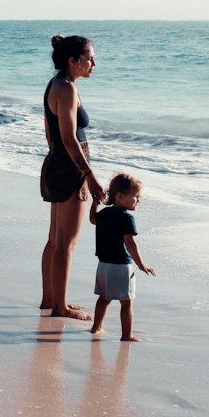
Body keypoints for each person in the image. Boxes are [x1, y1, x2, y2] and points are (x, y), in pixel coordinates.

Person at [40, 33, 106, 320]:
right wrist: (89, 176)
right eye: (89, 57)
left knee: (55, 239)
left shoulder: (56, 85)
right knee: (67, 242)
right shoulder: (66, 89)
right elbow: (69, 137)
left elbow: (49, 132)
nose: (94, 63)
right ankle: (60, 306)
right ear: (72, 60)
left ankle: (49, 300)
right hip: (70, 167)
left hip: (58, 163)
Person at [89, 173, 156, 342]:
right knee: (126, 303)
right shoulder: (127, 218)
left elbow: (92, 219)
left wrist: (95, 203)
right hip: (120, 266)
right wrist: (141, 265)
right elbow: (131, 243)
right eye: (136, 196)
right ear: (120, 196)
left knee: (103, 298)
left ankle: (96, 327)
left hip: (103, 265)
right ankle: (127, 335)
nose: (138, 200)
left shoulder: (104, 214)